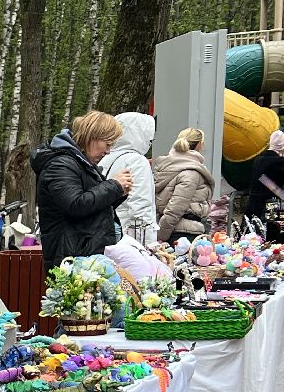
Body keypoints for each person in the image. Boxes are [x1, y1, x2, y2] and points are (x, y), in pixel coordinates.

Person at [31, 110, 131, 272]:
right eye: (107, 144)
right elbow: (75, 205)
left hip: (82, 257)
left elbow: (90, 205)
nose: (108, 151)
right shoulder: (61, 165)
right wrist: (113, 186)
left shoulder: (79, 163)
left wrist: (118, 193)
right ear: (93, 136)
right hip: (72, 261)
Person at [99, 112, 156, 245]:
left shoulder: (104, 159)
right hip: (129, 237)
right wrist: (145, 247)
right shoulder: (137, 161)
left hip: (106, 233)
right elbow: (140, 207)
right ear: (140, 134)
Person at [154, 127, 216, 244]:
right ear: (200, 145)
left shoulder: (168, 166)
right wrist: (162, 236)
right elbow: (174, 209)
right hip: (184, 234)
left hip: (173, 230)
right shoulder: (191, 172)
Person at [246, 130, 284, 222]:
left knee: (252, 235)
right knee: (273, 234)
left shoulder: (258, 161)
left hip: (253, 205)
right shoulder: (279, 162)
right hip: (272, 207)